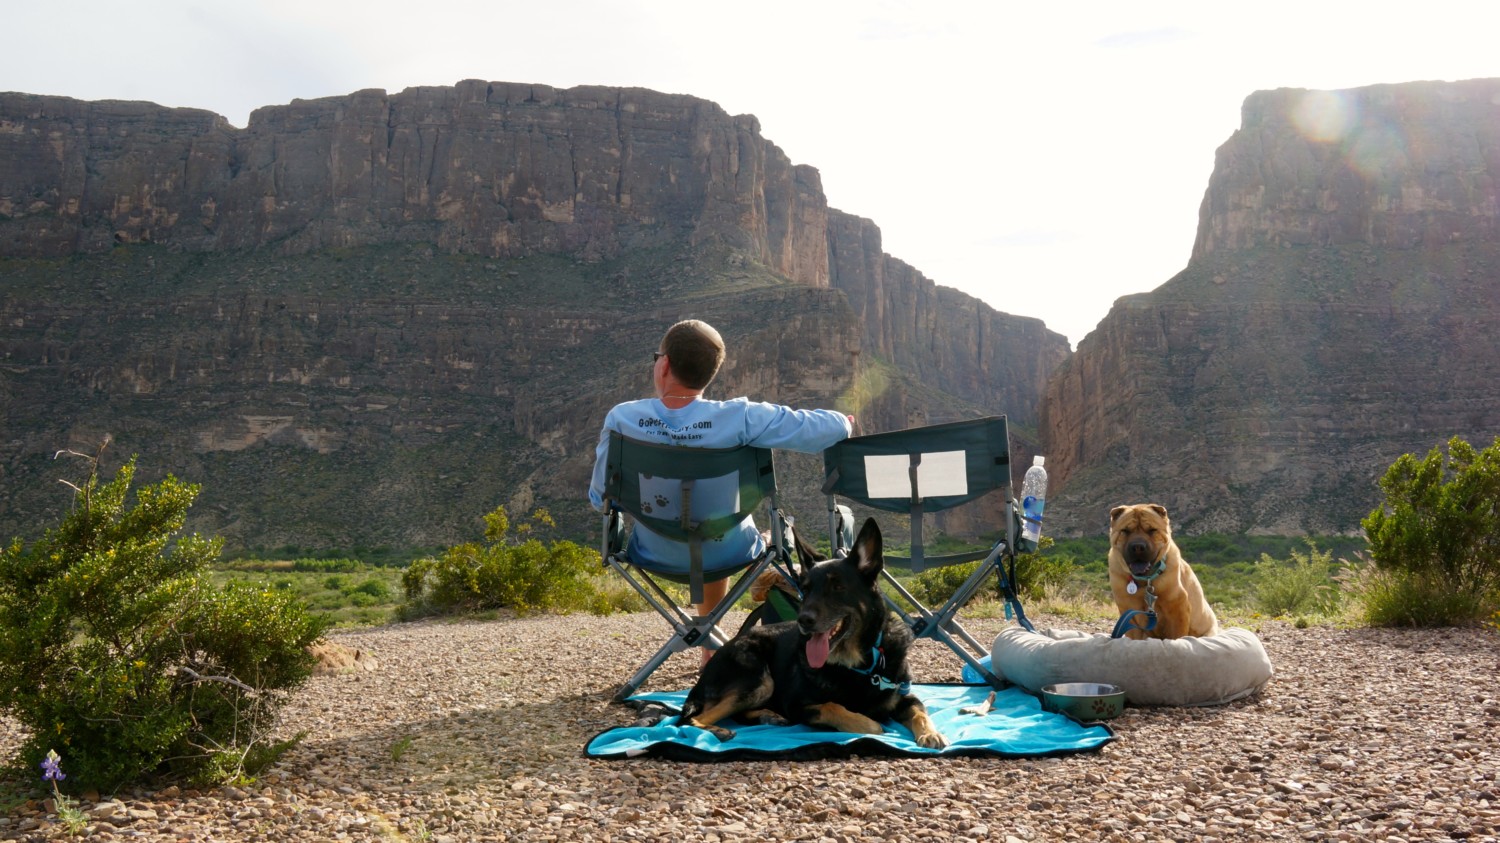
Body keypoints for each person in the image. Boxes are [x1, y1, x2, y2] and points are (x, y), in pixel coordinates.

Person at [588, 319, 852, 662]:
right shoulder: (740, 417)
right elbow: (821, 429)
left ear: (664, 364)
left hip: (653, 551)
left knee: (697, 522)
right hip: (729, 553)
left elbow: (599, 498)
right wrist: (845, 422)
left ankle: (708, 642)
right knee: (724, 526)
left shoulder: (622, 419)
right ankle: (710, 643)